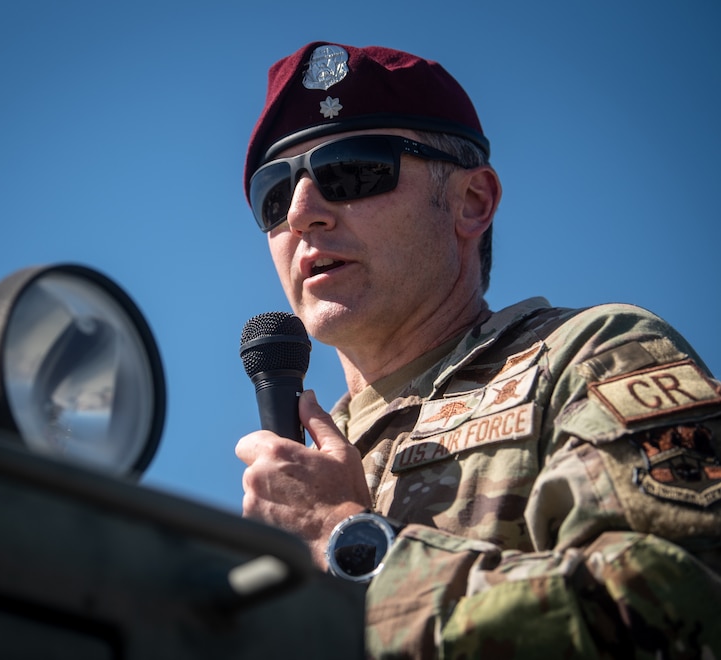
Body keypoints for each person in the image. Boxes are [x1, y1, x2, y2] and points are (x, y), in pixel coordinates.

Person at [235, 41, 721, 657]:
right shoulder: (299, 478)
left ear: (472, 202)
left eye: (351, 169)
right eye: (273, 195)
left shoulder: (588, 358)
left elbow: (679, 608)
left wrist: (352, 546)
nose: (303, 213)